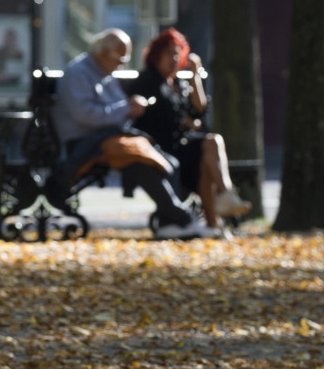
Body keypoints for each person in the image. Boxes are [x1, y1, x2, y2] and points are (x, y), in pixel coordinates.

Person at [51, 29, 213, 240]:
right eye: (120, 58)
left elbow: (117, 113)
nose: (123, 64)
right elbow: (86, 117)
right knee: (141, 161)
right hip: (85, 143)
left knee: (168, 161)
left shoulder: (105, 74)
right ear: (103, 52)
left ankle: (169, 222)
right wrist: (127, 108)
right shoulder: (79, 74)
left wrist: (130, 109)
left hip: (110, 139)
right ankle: (181, 219)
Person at [126, 28, 252, 230]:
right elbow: (154, 114)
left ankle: (213, 223)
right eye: (169, 53)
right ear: (156, 55)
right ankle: (225, 195)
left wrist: (195, 76)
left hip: (183, 146)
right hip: (163, 147)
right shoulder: (148, 81)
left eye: (177, 53)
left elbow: (199, 110)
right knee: (212, 142)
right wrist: (182, 121)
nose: (174, 58)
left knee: (206, 159)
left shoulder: (178, 83)